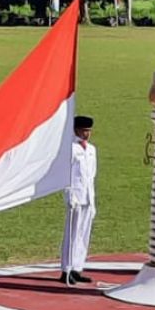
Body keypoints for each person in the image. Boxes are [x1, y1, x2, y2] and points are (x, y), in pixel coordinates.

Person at [60, 115, 98, 286]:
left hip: (88, 196)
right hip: (76, 195)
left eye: (89, 130)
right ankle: (66, 269)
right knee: (72, 234)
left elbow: (92, 175)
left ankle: (78, 267)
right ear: (76, 130)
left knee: (83, 234)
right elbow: (66, 175)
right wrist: (69, 195)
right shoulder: (71, 149)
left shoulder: (91, 150)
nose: (87, 134)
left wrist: (93, 198)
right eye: (84, 130)